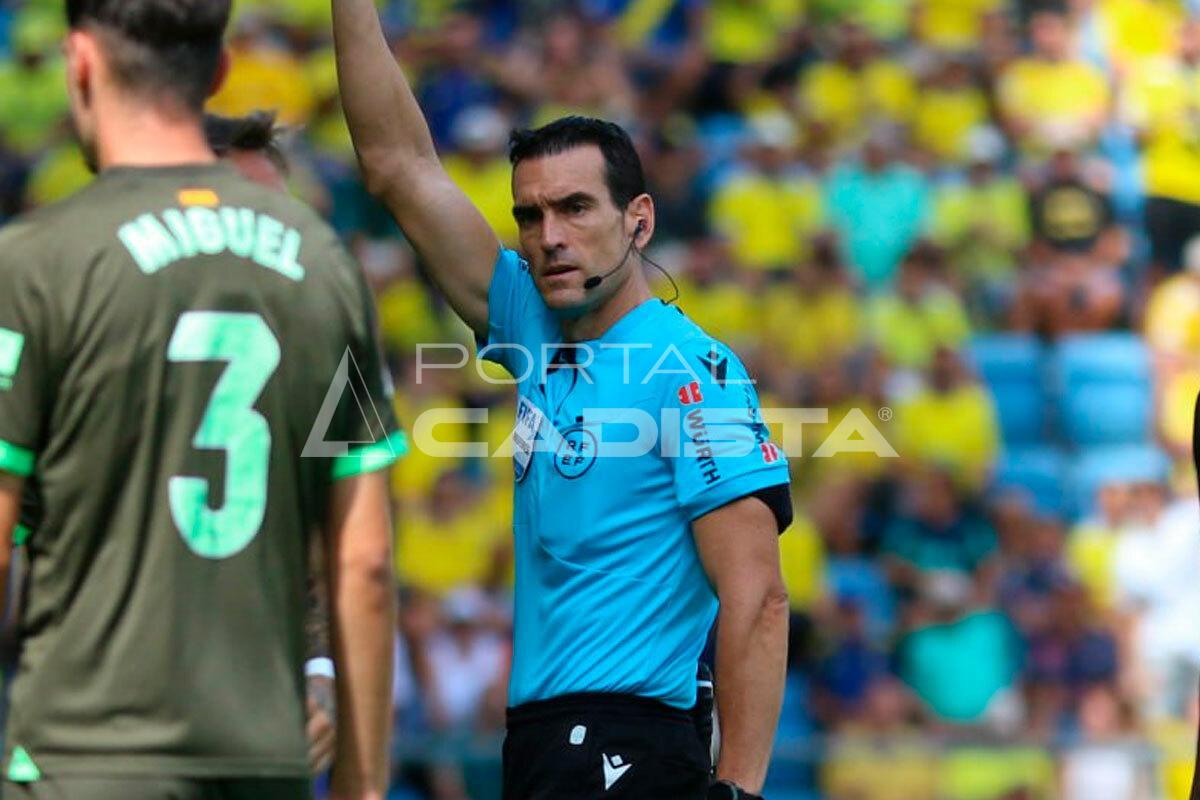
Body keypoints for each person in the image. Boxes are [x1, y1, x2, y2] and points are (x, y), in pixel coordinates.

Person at [333, 2, 793, 799]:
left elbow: (758, 597)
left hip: (633, 747)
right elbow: (397, 165)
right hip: (544, 744)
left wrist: (739, 793)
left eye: (576, 208)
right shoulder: (534, 330)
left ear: (638, 220)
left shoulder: (692, 371)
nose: (548, 235)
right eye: (530, 214)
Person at [0, 2, 402, 799]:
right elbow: (367, 562)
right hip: (262, 751)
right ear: (218, 71)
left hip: (86, 751)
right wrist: (361, 785)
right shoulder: (327, 270)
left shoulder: (35, 262)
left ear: (79, 62)